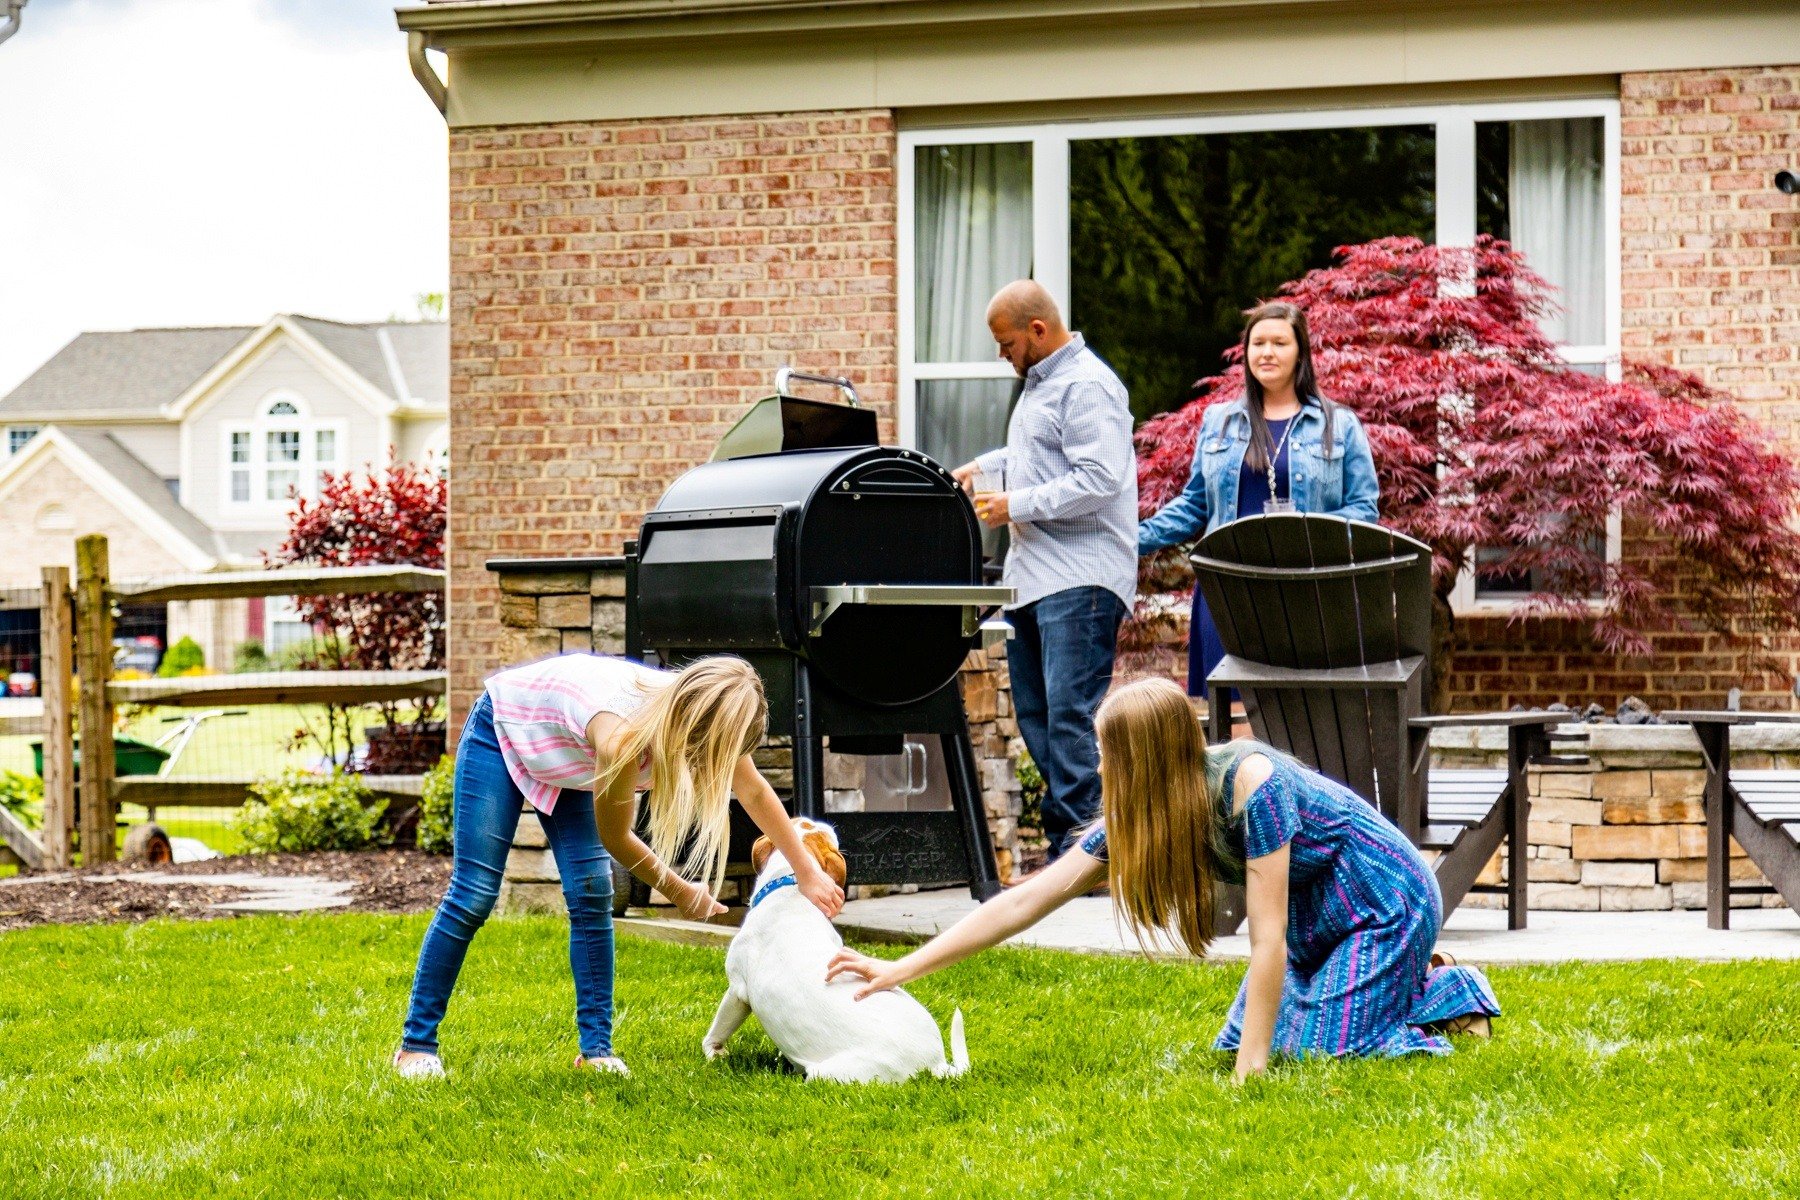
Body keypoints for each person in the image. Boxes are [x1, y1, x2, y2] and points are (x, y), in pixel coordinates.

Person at [826, 677, 1498, 1081]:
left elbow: (1266, 940)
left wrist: (1252, 1071)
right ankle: (1398, 983)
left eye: (1107, 754)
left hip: (1385, 897)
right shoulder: (1148, 812)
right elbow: (1028, 899)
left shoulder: (1251, 786)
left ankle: (1446, 988)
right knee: (1249, 1037)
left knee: (1323, 1054)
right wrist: (900, 969)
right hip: (1320, 910)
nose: (1100, 766)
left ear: (1141, 757)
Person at [395, 653, 844, 1078]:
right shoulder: (623, 738)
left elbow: (756, 793)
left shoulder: (710, 713)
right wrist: (679, 890)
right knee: (475, 893)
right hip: (505, 729)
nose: (715, 768)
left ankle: (596, 1052)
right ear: (693, 727)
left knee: (591, 891)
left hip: (571, 758)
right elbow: (616, 837)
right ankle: (416, 1047)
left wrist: (807, 871)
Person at [951, 280, 1137, 860]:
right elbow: (1038, 456)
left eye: (1006, 344)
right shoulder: (1041, 387)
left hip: (1080, 579)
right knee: (1037, 718)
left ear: (1037, 330)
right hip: (1035, 578)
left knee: (1071, 721)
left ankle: (1090, 858)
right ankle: (1071, 846)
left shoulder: (1088, 385)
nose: (1001, 355)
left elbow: (1099, 479)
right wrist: (981, 468)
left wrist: (1014, 504)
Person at [1138, 302, 1379, 703]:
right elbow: (1194, 505)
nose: (1267, 352)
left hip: (1305, 589)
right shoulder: (1220, 422)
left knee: (1298, 713)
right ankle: (1241, 770)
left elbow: (1364, 509)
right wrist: (1133, 539)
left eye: (1279, 343)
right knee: (1230, 713)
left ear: (1301, 352)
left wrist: (1300, 532)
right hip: (1227, 587)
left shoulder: (1339, 425)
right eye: (1258, 342)